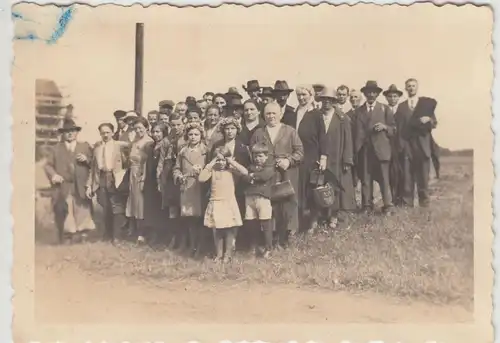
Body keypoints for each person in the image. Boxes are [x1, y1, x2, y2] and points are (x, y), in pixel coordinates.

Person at [251, 102, 304, 248]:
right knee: (269, 206)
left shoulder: (290, 131)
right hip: (267, 176)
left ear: (280, 114)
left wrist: (289, 160)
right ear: (264, 115)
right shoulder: (259, 133)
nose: (271, 116)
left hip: (286, 174)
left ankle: (284, 238)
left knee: (286, 206)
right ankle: (270, 239)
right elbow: (252, 153)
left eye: (274, 113)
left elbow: (300, 152)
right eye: (268, 113)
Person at [44, 119, 95, 244]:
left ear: (77, 133)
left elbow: (95, 163)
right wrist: (54, 175)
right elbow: (48, 165)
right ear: (63, 134)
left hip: (81, 184)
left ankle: (83, 235)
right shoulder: (56, 148)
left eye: (73, 131)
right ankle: (68, 235)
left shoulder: (85, 146)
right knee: (67, 209)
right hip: (64, 184)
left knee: (82, 208)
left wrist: (87, 160)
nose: (70, 134)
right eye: (67, 132)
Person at [394, 78, 438, 207]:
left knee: (423, 177)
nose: (411, 88)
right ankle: (408, 205)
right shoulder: (401, 107)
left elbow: (434, 123)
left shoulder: (425, 104)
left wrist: (428, 119)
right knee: (407, 177)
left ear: (417, 87)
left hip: (423, 145)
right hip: (407, 146)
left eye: (413, 86)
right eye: (409, 86)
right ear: (406, 88)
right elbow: (399, 127)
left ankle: (424, 205)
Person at [199, 147, 248, 263]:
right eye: (218, 160)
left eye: (223, 160)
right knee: (217, 231)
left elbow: (245, 172)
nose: (221, 163)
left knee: (229, 230)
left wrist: (231, 161)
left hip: (228, 202)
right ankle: (219, 254)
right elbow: (201, 178)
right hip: (216, 202)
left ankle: (228, 255)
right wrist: (211, 163)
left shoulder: (231, 170)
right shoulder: (213, 170)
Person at [210, 117, 252, 251]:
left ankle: (233, 242)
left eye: (232, 129)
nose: (229, 132)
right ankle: (221, 246)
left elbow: (246, 167)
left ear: (237, 130)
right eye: (227, 129)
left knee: (235, 213)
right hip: (221, 184)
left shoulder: (242, 147)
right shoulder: (217, 146)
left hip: (238, 184)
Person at [355, 81, 396, 215]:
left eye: (374, 92)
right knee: (366, 180)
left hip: (381, 150)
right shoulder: (359, 111)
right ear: (365, 94)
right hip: (366, 151)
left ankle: (388, 206)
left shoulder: (385, 109)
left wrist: (385, 127)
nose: (371, 95)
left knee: (384, 179)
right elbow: (357, 132)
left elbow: (394, 129)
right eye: (368, 92)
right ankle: (367, 206)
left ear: (378, 94)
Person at [318, 87, 356, 228]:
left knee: (338, 186)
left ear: (334, 101)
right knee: (323, 186)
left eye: (330, 100)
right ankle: (325, 215)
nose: (326, 102)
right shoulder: (318, 116)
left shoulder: (342, 118)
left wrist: (347, 159)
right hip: (322, 158)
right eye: (324, 100)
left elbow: (348, 140)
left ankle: (336, 216)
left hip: (337, 157)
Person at [86, 122, 129, 242]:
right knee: (106, 207)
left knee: (117, 208)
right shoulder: (97, 148)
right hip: (102, 178)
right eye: (102, 133)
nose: (105, 135)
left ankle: (117, 236)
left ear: (112, 132)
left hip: (115, 178)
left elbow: (129, 161)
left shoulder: (120, 146)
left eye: (107, 132)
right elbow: (93, 169)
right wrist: (89, 185)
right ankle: (107, 235)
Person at [293, 85, 327, 231]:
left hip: (312, 156)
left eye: (304, 95)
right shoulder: (292, 113)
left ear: (310, 95)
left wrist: (323, 157)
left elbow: (323, 137)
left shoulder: (317, 114)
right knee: (296, 189)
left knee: (311, 188)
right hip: (296, 156)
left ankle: (312, 223)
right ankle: (297, 222)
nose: (301, 98)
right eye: (299, 95)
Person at [172, 122, 207, 255]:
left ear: (201, 136)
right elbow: (176, 168)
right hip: (187, 186)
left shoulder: (205, 151)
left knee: (200, 217)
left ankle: (201, 247)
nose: (193, 137)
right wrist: (179, 175)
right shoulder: (183, 151)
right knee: (189, 217)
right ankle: (191, 245)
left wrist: (203, 171)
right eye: (190, 134)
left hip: (201, 186)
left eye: (196, 134)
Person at [242, 143, 275, 258]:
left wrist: (252, 176)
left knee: (265, 222)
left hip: (263, 197)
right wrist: (251, 176)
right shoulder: (250, 167)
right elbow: (244, 177)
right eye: (255, 156)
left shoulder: (269, 167)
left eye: (261, 156)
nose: (258, 159)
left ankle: (268, 248)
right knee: (251, 222)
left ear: (266, 156)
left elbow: (264, 176)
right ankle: (253, 247)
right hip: (250, 196)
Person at [125, 116, 154, 243]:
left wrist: (143, 177)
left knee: (142, 203)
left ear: (146, 128)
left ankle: (143, 233)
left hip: (143, 174)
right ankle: (135, 230)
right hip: (133, 173)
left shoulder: (149, 142)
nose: (138, 131)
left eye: (141, 128)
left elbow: (148, 162)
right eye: (136, 128)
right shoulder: (135, 141)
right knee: (134, 202)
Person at [143, 123, 166, 242]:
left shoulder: (166, 145)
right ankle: (153, 234)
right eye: (154, 132)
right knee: (151, 207)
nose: (156, 135)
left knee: (160, 207)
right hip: (150, 179)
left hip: (160, 179)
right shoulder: (150, 146)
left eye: (158, 132)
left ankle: (161, 235)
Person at [383, 84, 404, 205]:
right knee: (391, 173)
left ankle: (401, 199)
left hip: (401, 145)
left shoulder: (402, 110)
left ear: (398, 97)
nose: (392, 99)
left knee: (402, 172)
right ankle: (391, 198)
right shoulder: (383, 110)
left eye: (395, 96)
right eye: (390, 96)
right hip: (388, 145)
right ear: (386, 98)